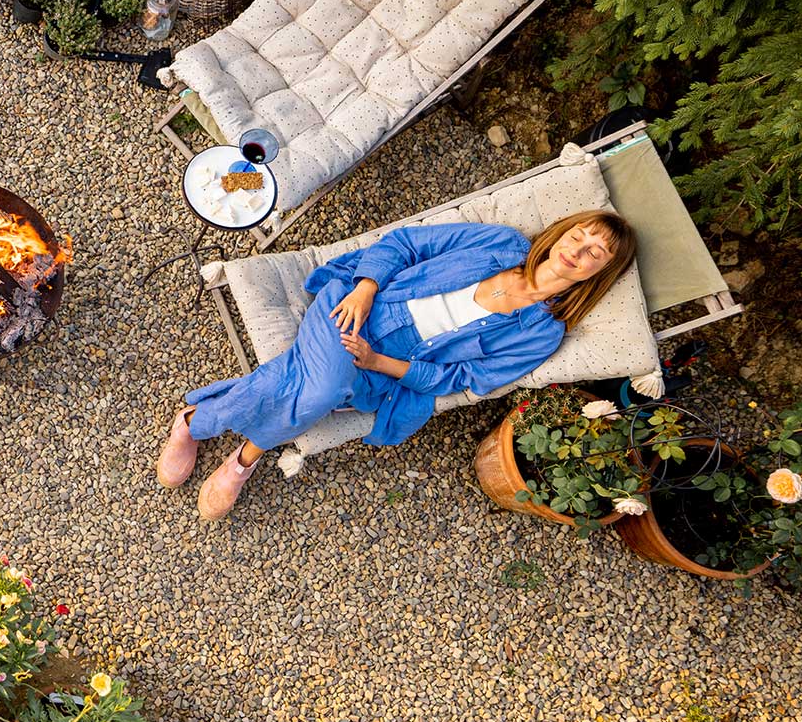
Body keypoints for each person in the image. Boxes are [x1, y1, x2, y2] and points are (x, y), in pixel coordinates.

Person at [156, 211, 639, 520]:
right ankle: (243, 459)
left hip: (391, 367)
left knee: (311, 383)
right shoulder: (500, 242)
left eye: (595, 252)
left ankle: (196, 421)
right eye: (579, 235)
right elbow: (407, 244)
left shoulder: (543, 331)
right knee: (323, 390)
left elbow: (466, 380)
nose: (577, 250)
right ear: (562, 232)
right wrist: (365, 288)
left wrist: (379, 361)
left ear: (602, 272)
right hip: (356, 308)